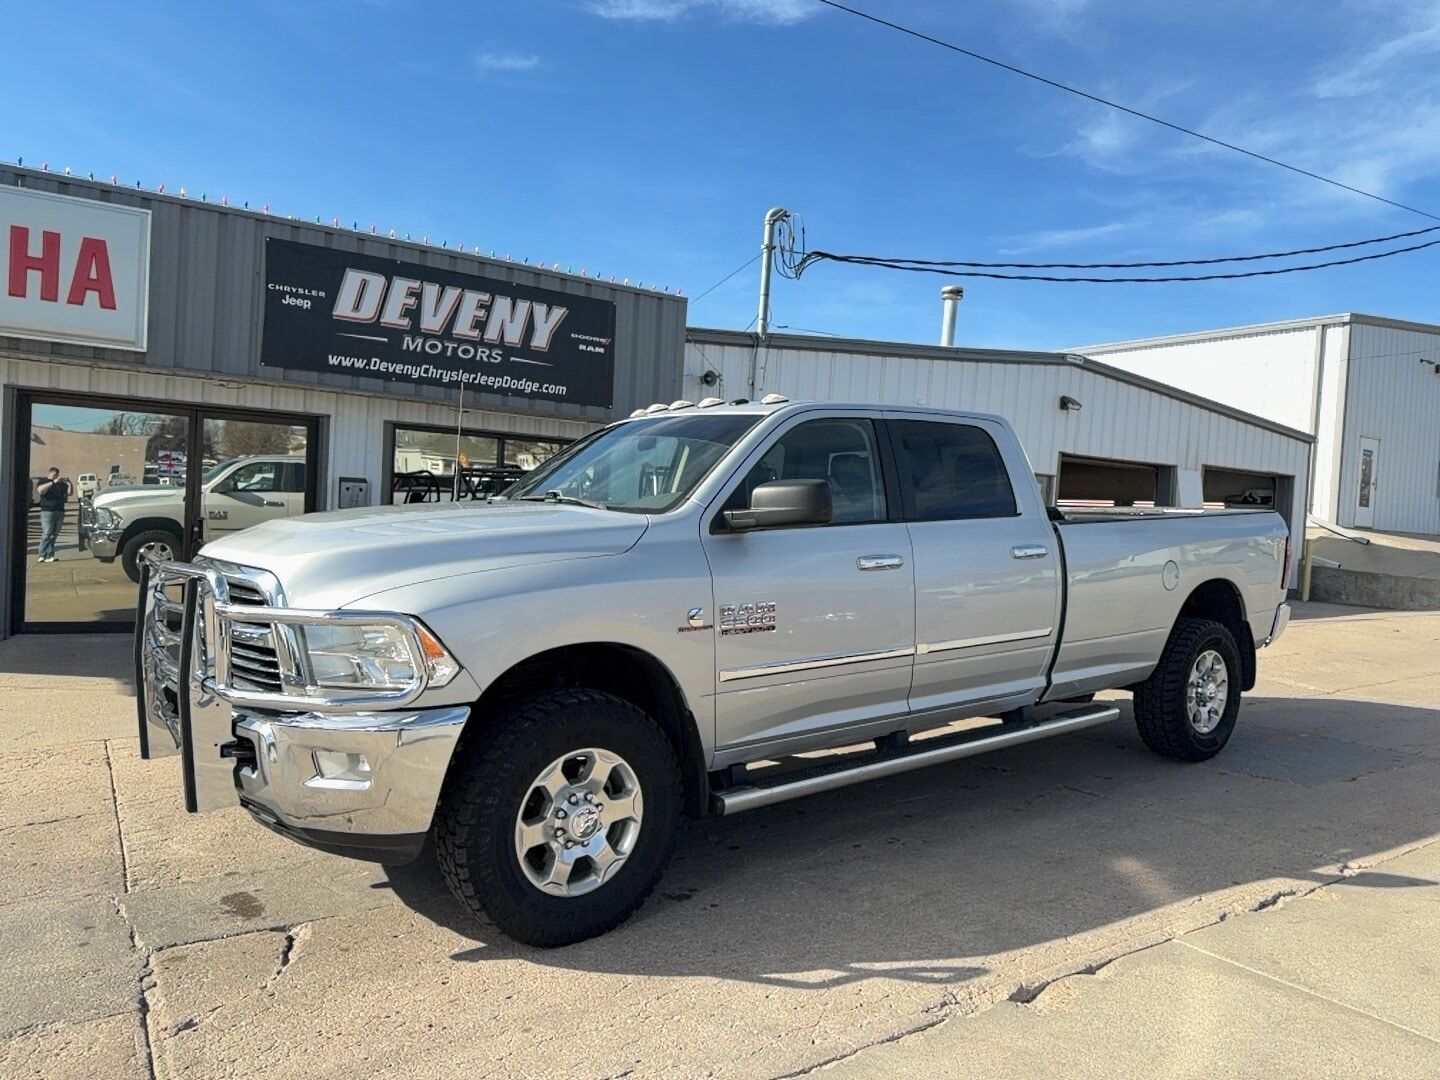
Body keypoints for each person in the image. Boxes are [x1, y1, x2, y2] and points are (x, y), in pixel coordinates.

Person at [36, 468, 69, 563]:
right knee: (47, 533)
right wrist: (53, 482)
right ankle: (42, 555)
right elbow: (40, 491)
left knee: (54, 534)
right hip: (47, 511)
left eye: (57, 475)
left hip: (59, 511)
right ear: (49, 473)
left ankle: (49, 555)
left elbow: (69, 493)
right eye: (54, 475)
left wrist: (69, 483)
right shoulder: (43, 481)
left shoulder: (60, 484)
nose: (56, 477)